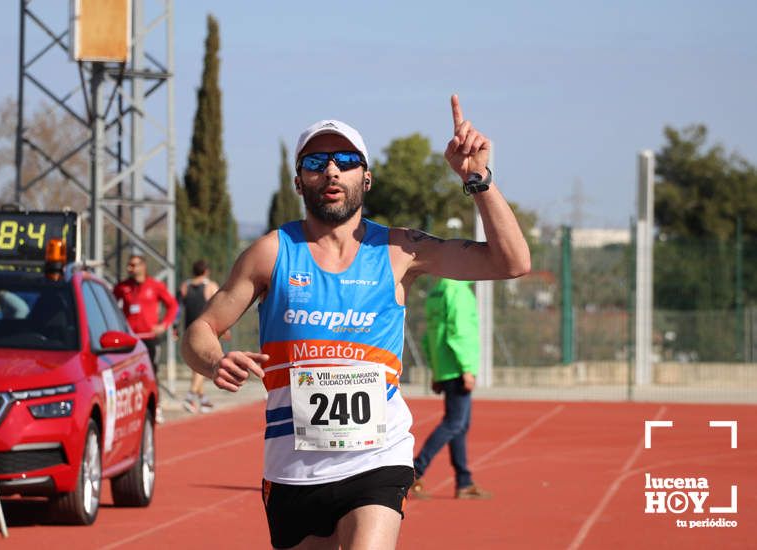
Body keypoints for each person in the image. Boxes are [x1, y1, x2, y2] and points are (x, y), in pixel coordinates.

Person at [181, 95, 530, 550]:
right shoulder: (271, 252)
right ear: (298, 180)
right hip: (293, 467)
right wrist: (213, 362)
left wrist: (477, 180)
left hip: (378, 458)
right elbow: (200, 330)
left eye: (345, 160)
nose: (331, 170)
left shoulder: (400, 251)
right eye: (316, 161)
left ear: (365, 177)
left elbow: (512, 262)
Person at [409, 278, 491, 500]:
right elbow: (459, 332)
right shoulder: (459, 292)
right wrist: (467, 368)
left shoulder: (436, 292)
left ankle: (464, 481)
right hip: (456, 365)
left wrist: (435, 369)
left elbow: (430, 335)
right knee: (454, 423)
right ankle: (415, 471)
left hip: (444, 365)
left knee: (460, 425)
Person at [113, 254, 179, 381]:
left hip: (149, 338)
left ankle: (153, 400)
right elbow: (110, 305)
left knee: (150, 373)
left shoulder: (155, 286)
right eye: (129, 265)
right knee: (129, 374)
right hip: (130, 338)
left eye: (133, 265)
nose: (129, 268)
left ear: (143, 266)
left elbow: (173, 306)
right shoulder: (122, 287)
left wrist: (164, 325)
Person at [178, 259, 229, 414]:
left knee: (196, 365)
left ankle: (203, 400)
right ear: (206, 271)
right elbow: (219, 307)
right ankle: (190, 395)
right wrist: (225, 327)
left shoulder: (184, 286)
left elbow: (177, 308)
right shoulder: (211, 286)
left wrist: (175, 327)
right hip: (206, 331)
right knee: (205, 365)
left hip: (189, 330)